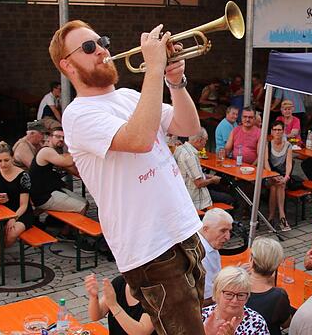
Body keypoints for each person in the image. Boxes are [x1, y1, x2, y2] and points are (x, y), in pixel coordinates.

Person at [52, 20, 205, 334]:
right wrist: (154, 69)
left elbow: (188, 128)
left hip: (184, 231)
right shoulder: (78, 114)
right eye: (89, 47)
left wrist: (175, 82)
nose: (102, 50)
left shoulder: (128, 95)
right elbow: (139, 139)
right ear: (67, 65)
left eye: (102, 40)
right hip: (151, 248)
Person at [0, 142, 35, 275]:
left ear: (12, 158)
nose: (3, 164)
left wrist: (13, 218)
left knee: (10, 235)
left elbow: (24, 204)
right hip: (2, 210)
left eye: (6, 160)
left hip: (20, 212)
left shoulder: (23, 176)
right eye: (0, 160)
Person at [29, 127, 88, 215]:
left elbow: (72, 169)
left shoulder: (56, 153)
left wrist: (86, 177)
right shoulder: (46, 151)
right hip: (43, 197)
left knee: (85, 203)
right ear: (49, 137)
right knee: (81, 206)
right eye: (58, 136)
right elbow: (68, 162)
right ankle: (76, 228)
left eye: (63, 138)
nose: (61, 139)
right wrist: (78, 148)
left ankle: (62, 227)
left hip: (53, 191)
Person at [174, 128, 235, 211]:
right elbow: (199, 183)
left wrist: (208, 176)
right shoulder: (191, 156)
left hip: (183, 191)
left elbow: (190, 174)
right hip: (195, 197)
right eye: (205, 141)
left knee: (222, 187)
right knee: (229, 198)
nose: (205, 144)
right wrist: (212, 180)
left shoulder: (180, 149)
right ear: (199, 140)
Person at [202, 266, 270, 335]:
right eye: (229, 294)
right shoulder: (201, 317)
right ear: (217, 293)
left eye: (241, 295)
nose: (234, 300)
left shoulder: (256, 322)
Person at [246, 237, 291, 335]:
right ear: (276, 265)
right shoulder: (278, 295)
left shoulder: (236, 287)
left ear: (251, 260)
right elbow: (286, 324)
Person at [85, 273, 155, 335]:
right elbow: (96, 316)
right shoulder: (119, 282)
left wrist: (114, 305)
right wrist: (93, 297)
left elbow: (141, 332)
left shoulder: (154, 292)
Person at [199, 208, 234, 305]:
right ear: (205, 229)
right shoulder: (200, 255)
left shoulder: (209, 243)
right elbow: (206, 300)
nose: (228, 237)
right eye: (223, 231)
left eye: (229, 231)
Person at [264, 121, 293, 231]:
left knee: (278, 185)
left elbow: (289, 163)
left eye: (279, 130)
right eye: (275, 129)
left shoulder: (288, 145)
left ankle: (272, 217)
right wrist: (272, 175)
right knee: (274, 184)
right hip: (270, 174)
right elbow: (266, 162)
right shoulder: (268, 144)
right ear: (271, 131)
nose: (277, 132)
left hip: (282, 175)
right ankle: (282, 218)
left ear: (283, 131)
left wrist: (286, 177)